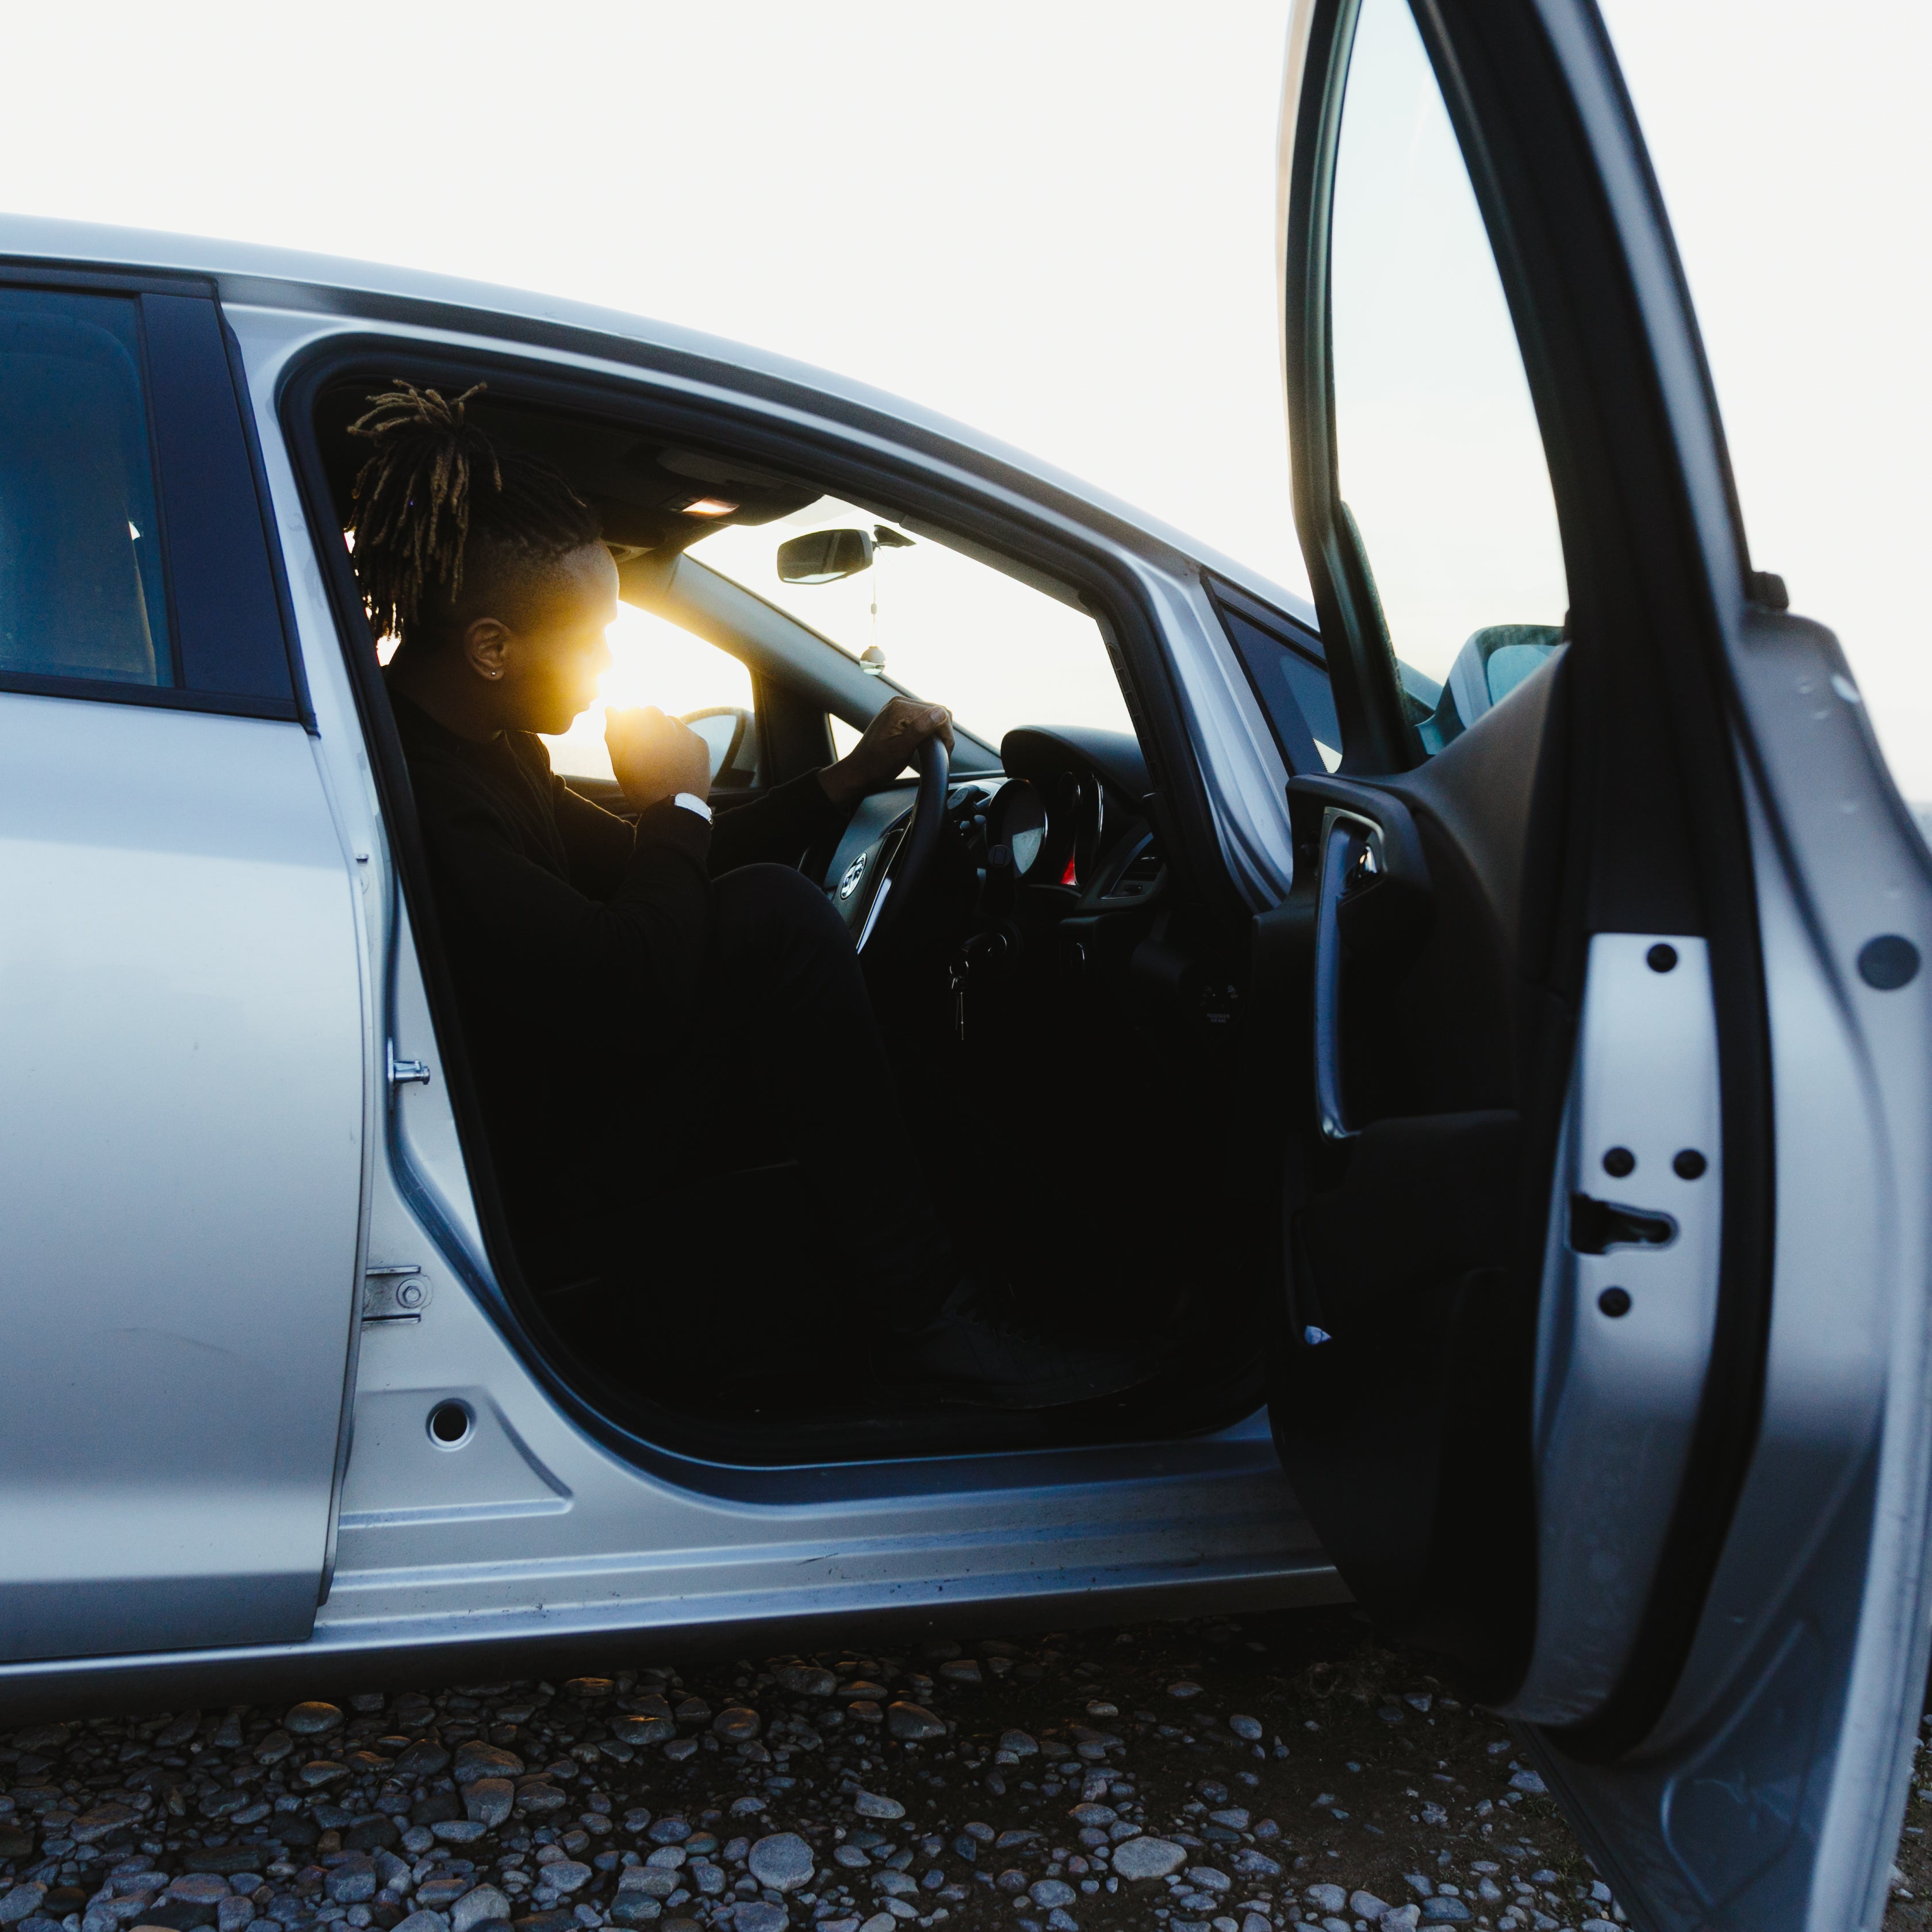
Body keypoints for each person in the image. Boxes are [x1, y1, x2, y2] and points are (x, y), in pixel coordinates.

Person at [346, 382, 1147, 1408]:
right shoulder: (428, 788)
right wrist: (676, 795)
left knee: (847, 993)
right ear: (493, 648)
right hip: (535, 1162)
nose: (604, 670)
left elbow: (652, 862)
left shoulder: (490, 747)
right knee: (774, 919)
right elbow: (624, 984)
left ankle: (1032, 1286)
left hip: (565, 1087)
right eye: (588, 641)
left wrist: (842, 783)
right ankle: (928, 1321)